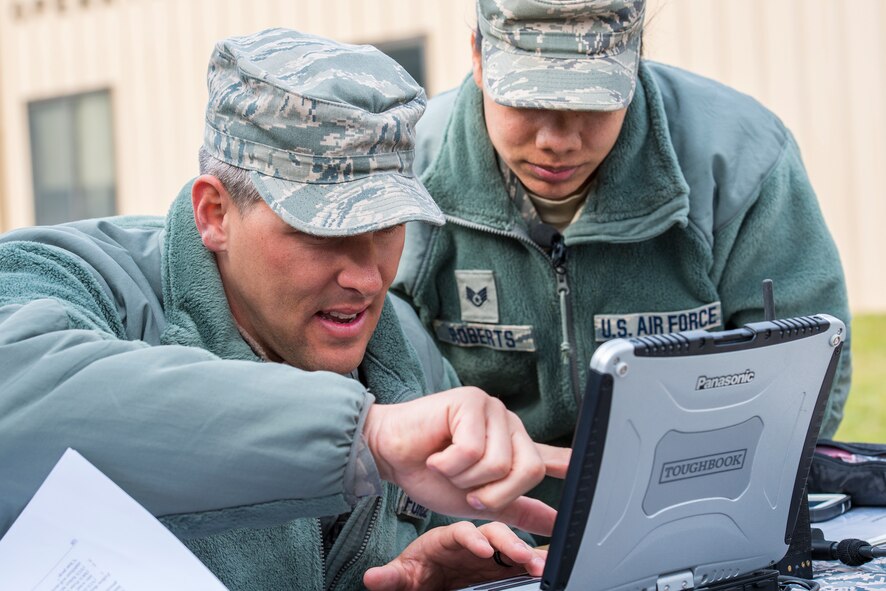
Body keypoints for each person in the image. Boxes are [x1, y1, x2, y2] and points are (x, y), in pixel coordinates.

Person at [0, 29, 569, 590]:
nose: (367, 277)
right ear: (215, 213)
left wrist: (435, 576)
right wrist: (364, 437)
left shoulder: (408, 352)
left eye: (388, 228)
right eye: (323, 232)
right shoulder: (76, 278)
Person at [394, 0, 852, 507]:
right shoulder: (404, 176)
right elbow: (388, 397)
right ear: (478, 58)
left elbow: (804, 379)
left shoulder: (742, 160)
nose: (557, 141)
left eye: (591, 101)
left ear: (635, 63)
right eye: (526, 100)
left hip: (684, 513)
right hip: (477, 524)